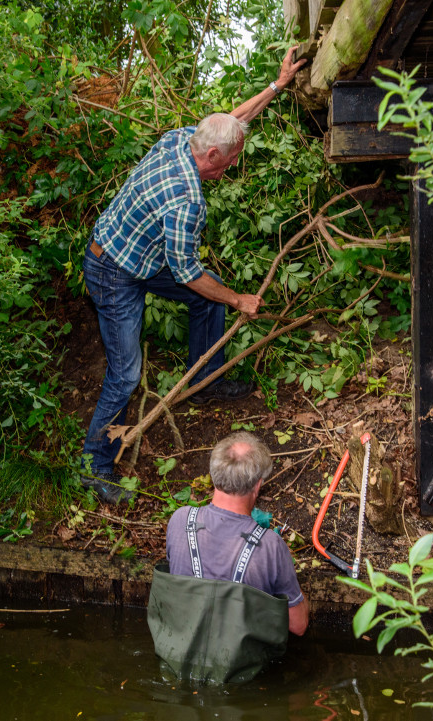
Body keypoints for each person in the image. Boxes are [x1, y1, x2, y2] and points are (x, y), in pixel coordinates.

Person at [80, 47, 308, 503]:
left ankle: (208, 383)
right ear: (210, 155)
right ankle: (94, 467)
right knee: (126, 376)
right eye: (228, 161)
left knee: (207, 300)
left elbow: (231, 120)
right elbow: (187, 273)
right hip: (112, 270)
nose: (232, 167)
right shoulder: (188, 200)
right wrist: (239, 299)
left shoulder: (179, 138)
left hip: (137, 254)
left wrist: (277, 85)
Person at [147, 431, 309, 684]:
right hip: (239, 681)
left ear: (213, 475)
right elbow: (298, 625)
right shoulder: (270, 545)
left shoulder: (180, 521)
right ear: (257, 485)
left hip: (177, 669)